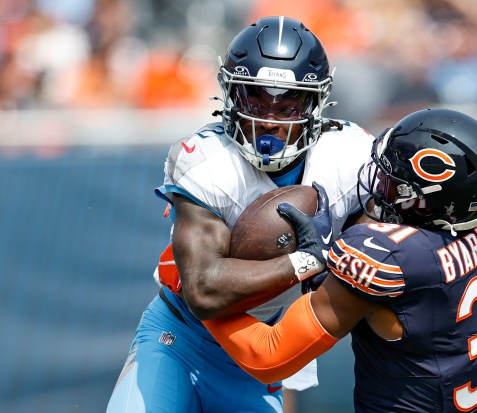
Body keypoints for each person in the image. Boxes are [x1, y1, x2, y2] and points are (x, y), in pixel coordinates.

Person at [106, 16, 375, 413]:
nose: (269, 118)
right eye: (255, 99)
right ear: (230, 95)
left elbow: (386, 239)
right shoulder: (208, 162)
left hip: (258, 346)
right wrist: (309, 260)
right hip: (181, 336)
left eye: (287, 103)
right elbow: (204, 289)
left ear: (316, 103)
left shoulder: (350, 155)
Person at [203, 108, 477, 412]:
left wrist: (202, 302)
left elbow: (270, 356)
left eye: (392, 181)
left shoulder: (387, 258)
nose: (379, 187)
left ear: (427, 198)